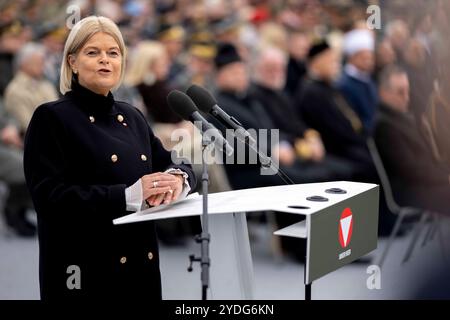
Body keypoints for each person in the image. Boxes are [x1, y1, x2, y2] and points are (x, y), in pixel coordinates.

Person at [23, 16, 196, 300]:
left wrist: (178, 179)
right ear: (72, 62)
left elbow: (173, 162)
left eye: (113, 53)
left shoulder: (132, 115)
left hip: (141, 265)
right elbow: (49, 198)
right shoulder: (52, 117)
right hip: (85, 269)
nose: (105, 60)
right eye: (93, 52)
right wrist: (126, 197)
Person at [374, 66, 450, 214]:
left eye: (408, 91)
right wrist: (444, 177)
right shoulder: (384, 125)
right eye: (400, 92)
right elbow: (410, 169)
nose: (407, 97)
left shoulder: (400, 117)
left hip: (425, 183)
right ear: (384, 93)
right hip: (411, 191)